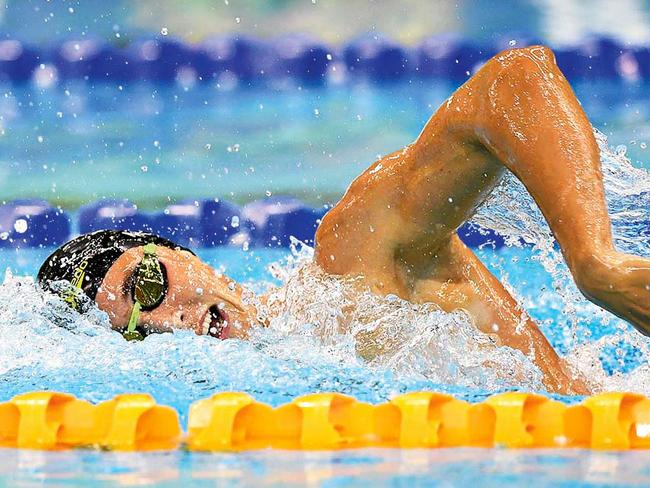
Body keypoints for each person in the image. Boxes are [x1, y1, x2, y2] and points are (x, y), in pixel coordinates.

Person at [38, 46, 650, 395]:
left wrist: (596, 264)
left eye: (148, 286)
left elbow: (513, 82)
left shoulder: (348, 264)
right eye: (141, 333)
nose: (170, 322)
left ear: (184, 255)